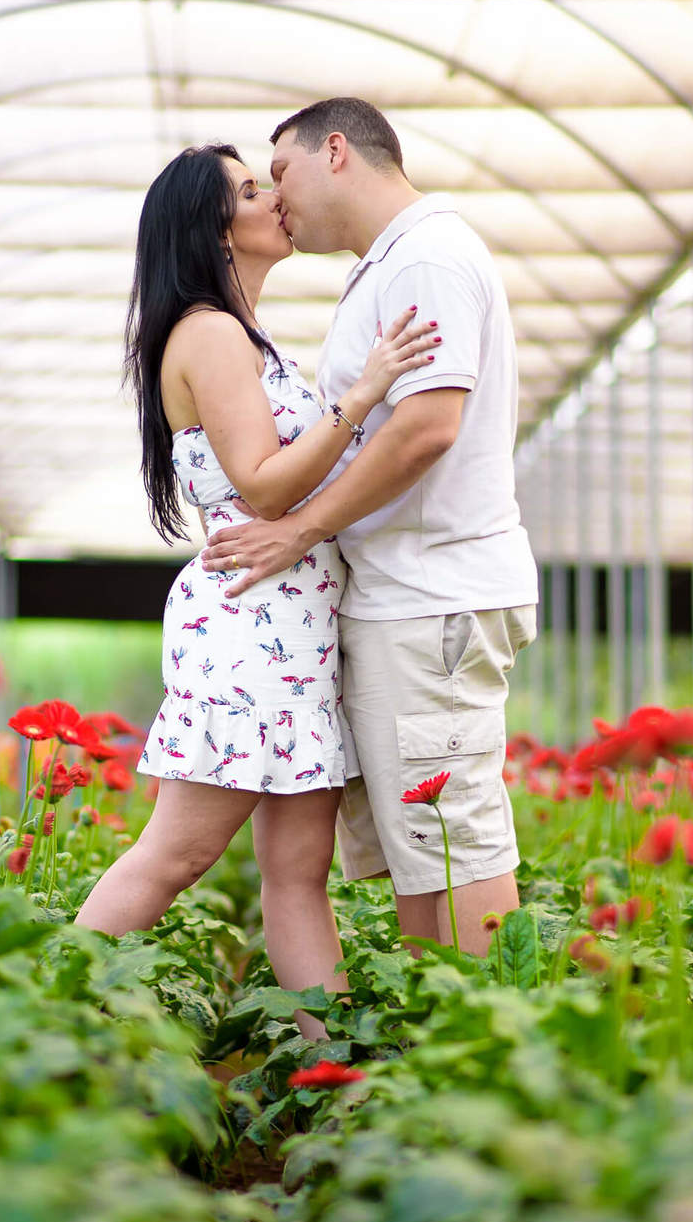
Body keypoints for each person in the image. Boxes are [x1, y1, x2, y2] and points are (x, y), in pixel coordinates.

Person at [73, 142, 435, 1040]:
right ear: (212, 227)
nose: (274, 195)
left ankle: (334, 1075)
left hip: (289, 625)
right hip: (251, 627)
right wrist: (367, 393)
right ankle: (41, 1011)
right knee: (177, 854)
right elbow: (266, 483)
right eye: (248, 188)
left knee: (298, 867)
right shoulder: (211, 331)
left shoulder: (243, 332)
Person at [199, 99, 538, 958]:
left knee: (456, 844)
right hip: (403, 603)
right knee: (422, 854)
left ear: (336, 151)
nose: (277, 198)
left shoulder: (426, 255)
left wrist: (300, 529)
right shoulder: (388, 263)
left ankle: (490, 1051)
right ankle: (442, 1052)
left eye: (279, 172)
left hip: (434, 602)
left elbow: (428, 425)